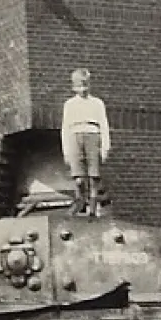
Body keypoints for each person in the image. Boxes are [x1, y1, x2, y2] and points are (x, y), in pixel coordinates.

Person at [61, 68, 110, 217]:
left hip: (92, 135)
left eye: (85, 85)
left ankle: (93, 206)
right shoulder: (69, 104)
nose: (82, 89)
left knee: (93, 175)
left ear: (89, 85)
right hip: (75, 136)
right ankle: (80, 200)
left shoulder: (97, 103)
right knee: (79, 179)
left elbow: (104, 124)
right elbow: (65, 127)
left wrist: (105, 147)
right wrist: (66, 151)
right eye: (79, 86)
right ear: (73, 87)